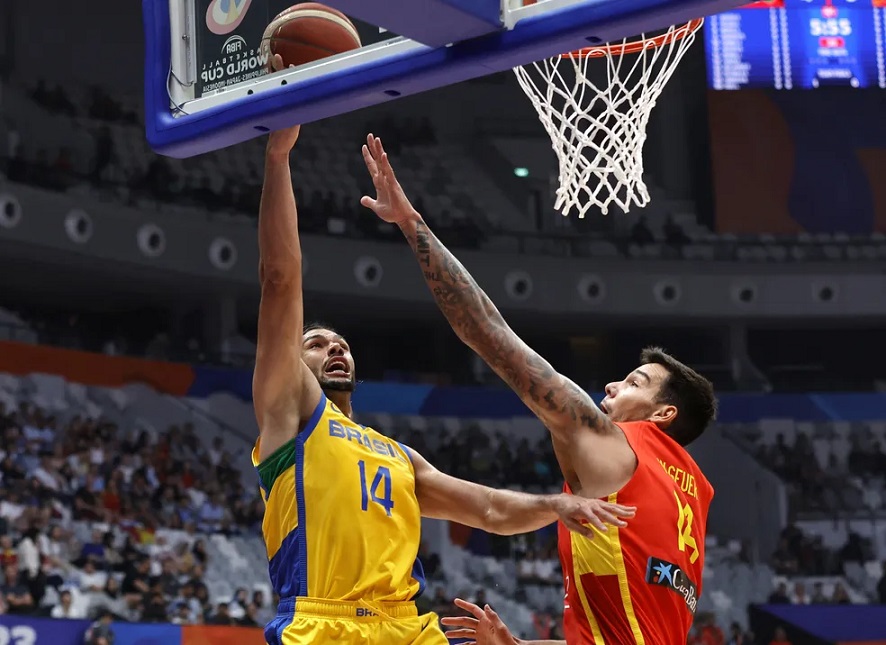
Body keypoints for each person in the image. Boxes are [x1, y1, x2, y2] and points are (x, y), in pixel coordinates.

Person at [251, 56, 636, 645]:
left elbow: (485, 508)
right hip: (322, 622)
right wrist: (279, 160)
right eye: (316, 344)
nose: (335, 350)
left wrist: (554, 508)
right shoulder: (288, 415)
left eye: (343, 344)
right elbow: (281, 279)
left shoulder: (399, 457)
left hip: (407, 627)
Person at [359, 134, 718, 645]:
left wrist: (411, 223)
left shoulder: (614, 445)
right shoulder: (693, 491)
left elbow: (487, 331)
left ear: (662, 416)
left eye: (636, 381)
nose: (613, 383)